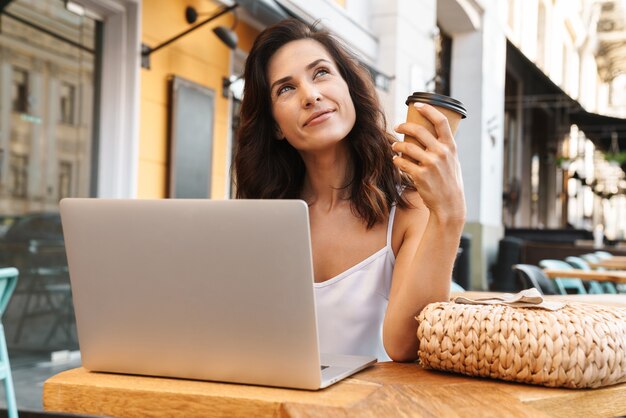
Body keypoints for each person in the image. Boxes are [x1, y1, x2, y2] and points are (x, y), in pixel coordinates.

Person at [233, 19, 465, 362]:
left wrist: (450, 214)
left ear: (349, 89)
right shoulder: (264, 215)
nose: (310, 95)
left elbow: (404, 345)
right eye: (286, 89)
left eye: (321, 73)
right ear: (276, 127)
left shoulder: (408, 207)